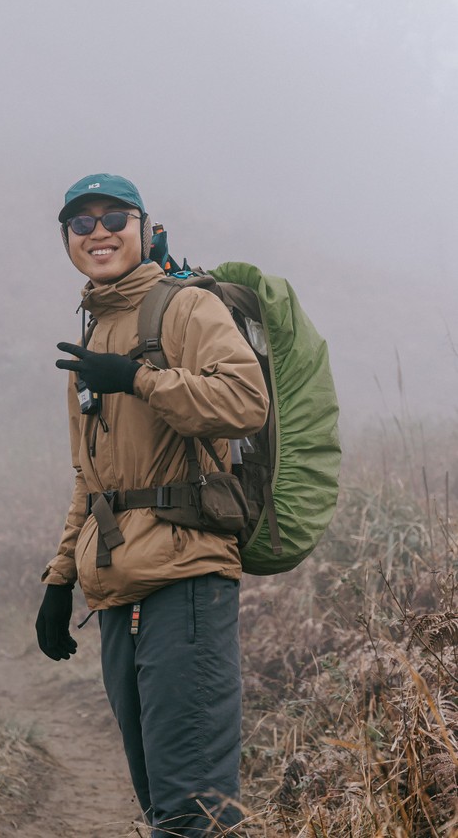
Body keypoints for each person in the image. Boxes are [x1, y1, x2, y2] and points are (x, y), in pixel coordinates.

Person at [36, 173, 270, 835]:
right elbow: (91, 478)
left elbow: (244, 404)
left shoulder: (184, 308)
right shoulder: (91, 331)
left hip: (185, 575)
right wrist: (59, 580)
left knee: (193, 808)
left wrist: (137, 379)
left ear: (144, 228)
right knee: (160, 798)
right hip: (115, 586)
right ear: (67, 240)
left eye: (115, 217)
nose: (99, 231)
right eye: (81, 223)